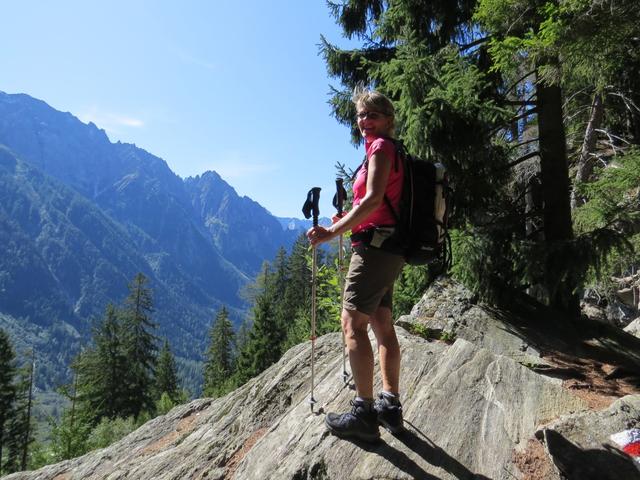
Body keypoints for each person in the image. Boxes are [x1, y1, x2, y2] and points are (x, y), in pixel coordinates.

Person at [307, 89, 405, 442]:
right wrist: (351, 219)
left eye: (372, 115)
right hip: (389, 246)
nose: (364, 122)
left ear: (388, 119)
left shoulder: (381, 149)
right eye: (361, 116)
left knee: (352, 324)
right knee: (381, 322)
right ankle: (390, 407)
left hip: (375, 250)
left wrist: (334, 230)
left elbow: (374, 198)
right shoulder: (392, 152)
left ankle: (364, 412)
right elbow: (376, 203)